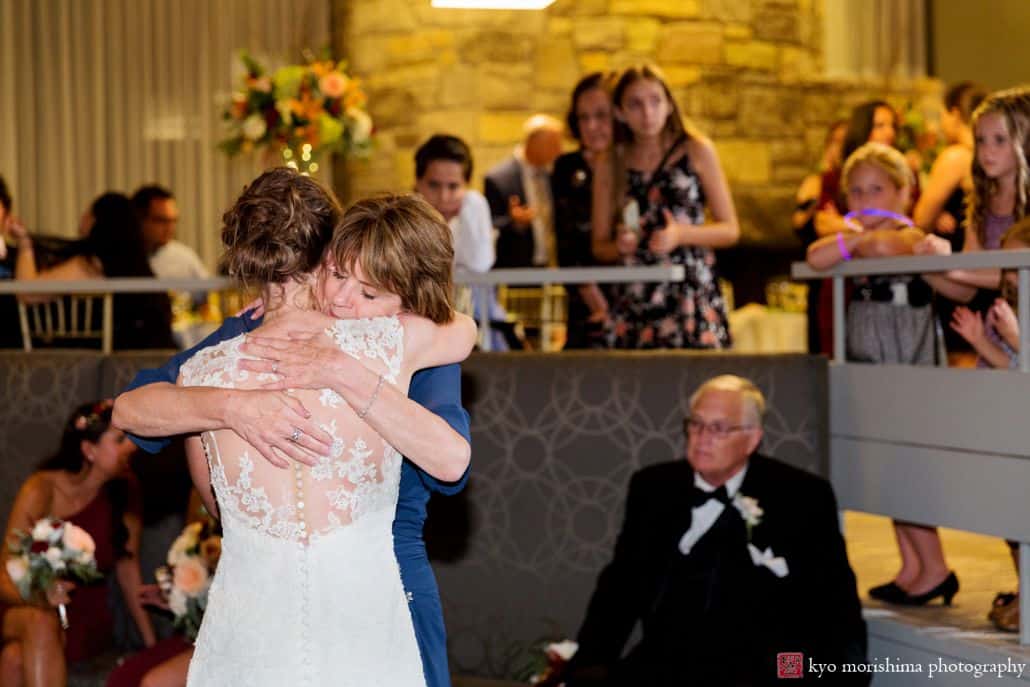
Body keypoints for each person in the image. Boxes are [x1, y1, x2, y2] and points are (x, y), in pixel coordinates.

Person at [112, 170, 473, 687]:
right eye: (339, 275)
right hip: (272, 595)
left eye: (363, 286)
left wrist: (342, 365)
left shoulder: (405, 332)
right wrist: (234, 407)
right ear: (325, 256)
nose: (346, 295)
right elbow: (128, 410)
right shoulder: (234, 342)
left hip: (392, 580)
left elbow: (452, 450)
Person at [558, 375, 867, 686]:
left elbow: (835, 604)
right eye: (696, 424)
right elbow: (619, 589)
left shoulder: (800, 497)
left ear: (752, 438)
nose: (702, 437)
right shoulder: (654, 489)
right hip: (662, 668)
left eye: (718, 428)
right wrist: (588, 668)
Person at [808, 143, 960, 606]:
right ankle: (912, 564)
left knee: (907, 461)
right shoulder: (857, 235)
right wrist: (849, 240)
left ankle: (934, 564)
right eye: (856, 192)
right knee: (886, 462)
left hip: (904, 357)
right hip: (869, 356)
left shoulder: (913, 235)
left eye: (877, 189)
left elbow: (881, 246)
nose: (866, 199)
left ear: (903, 193)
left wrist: (849, 240)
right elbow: (816, 257)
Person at [1, 400, 157, 687]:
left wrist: (152, 646)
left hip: (82, 620)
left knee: (14, 658)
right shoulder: (41, 489)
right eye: (121, 439)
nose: (132, 447)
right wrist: (40, 596)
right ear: (89, 450)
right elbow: (4, 573)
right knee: (38, 621)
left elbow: (128, 572)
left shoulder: (126, 491)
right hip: (23, 606)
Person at [591, 63, 738, 349]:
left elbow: (730, 229)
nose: (647, 114)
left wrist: (682, 235)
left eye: (655, 101)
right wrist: (620, 246)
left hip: (689, 291)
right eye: (635, 104)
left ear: (669, 104)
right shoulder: (610, 162)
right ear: (620, 112)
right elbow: (599, 246)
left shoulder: (695, 149)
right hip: (635, 293)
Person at [915, 87, 1030, 335]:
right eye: (980, 140)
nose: (987, 151)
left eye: (999, 140)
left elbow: (1016, 274)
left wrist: (952, 266)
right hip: (994, 333)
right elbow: (966, 288)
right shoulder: (980, 203)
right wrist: (923, 266)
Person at [9, 192, 175, 349]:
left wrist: (25, 245)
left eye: (88, 214)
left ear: (98, 222)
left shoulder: (91, 264)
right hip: (146, 357)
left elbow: (28, 292)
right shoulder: (137, 267)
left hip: (99, 358)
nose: (82, 218)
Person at [551, 72, 614, 349]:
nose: (591, 126)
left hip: (636, 292)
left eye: (601, 115)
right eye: (583, 118)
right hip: (584, 296)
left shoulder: (636, 163)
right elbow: (566, 241)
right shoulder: (567, 168)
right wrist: (592, 296)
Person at [793, 120, 847, 353]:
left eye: (843, 143)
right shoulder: (819, 183)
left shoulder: (851, 184)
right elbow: (801, 224)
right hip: (820, 275)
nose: (838, 148)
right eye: (834, 142)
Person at [485, 114, 564, 268]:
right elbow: (490, 227)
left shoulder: (554, 176)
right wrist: (514, 223)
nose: (559, 151)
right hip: (515, 269)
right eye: (554, 144)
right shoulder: (498, 179)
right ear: (535, 142)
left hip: (549, 267)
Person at [131, 186, 209, 282]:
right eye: (161, 220)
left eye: (173, 221)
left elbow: (211, 294)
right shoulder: (118, 258)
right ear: (139, 219)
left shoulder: (184, 258)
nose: (170, 228)